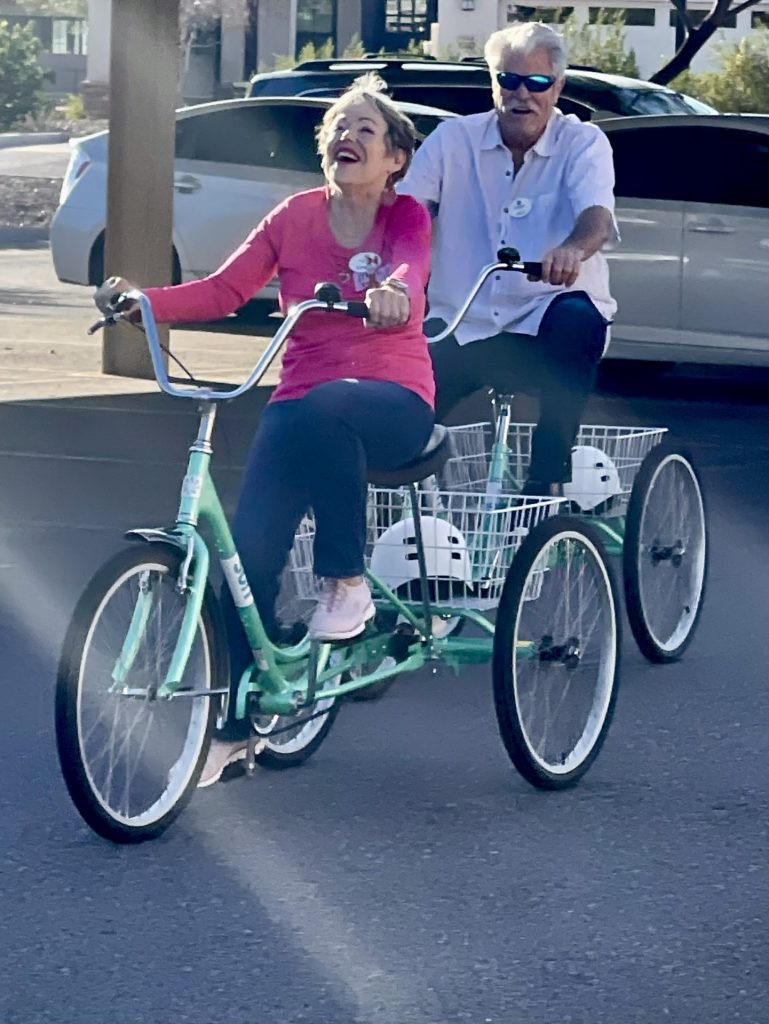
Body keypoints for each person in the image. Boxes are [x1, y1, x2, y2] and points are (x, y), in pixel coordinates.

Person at [96, 74, 434, 785]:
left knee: (328, 407)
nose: (346, 136)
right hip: (305, 399)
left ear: (394, 158)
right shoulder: (293, 217)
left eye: (364, 129)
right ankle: (237, 726)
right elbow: (223, 289)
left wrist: (393, 292)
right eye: (337, 127)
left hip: (393, 399)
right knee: (244, 561)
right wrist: (142, 302)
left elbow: (410, 267)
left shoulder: (404, 217)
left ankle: (345, 585)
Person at [398, 21, 618, 496]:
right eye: (509, 80)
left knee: (578, 318)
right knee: (401, 419)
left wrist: (571, 252)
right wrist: (395, 273)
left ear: (557, 86)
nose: (523, 94)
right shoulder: (452, 139)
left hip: (544, 320)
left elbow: (596, 216)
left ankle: (546, 479)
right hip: (464, 321)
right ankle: (398, 524)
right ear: (493, 82)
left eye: (537, 82)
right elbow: (409, 213)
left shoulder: (583, 144)